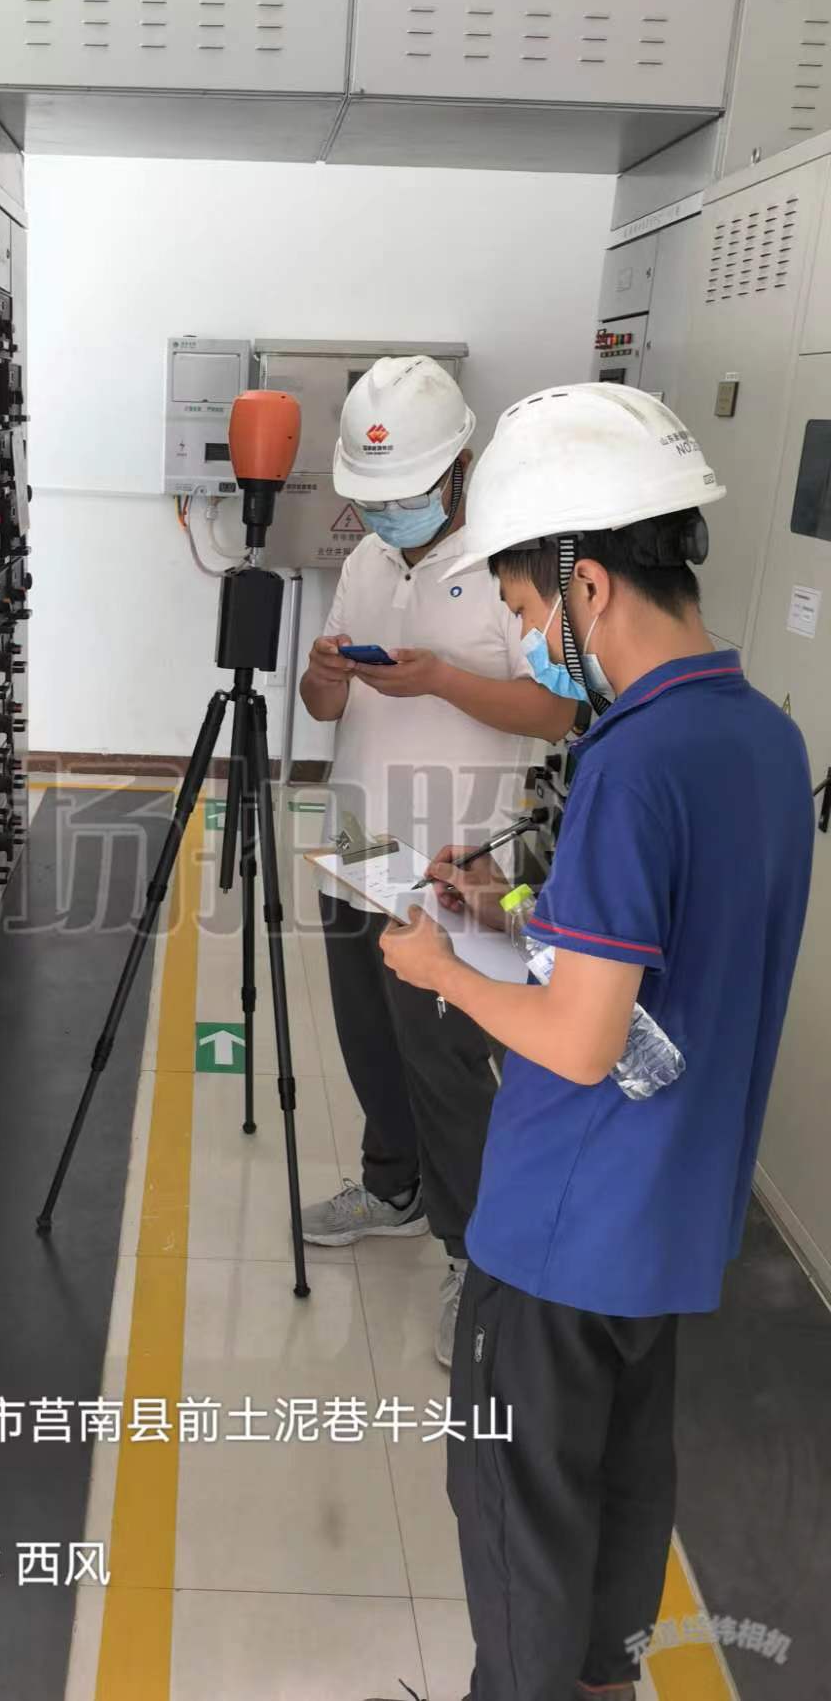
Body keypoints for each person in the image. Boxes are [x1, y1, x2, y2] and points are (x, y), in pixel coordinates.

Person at [380, 383, 814, 1701]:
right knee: (624, 1491)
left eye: (523, 610)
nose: (529, 642)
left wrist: (440, 967)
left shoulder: (631, 758)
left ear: (584, 582)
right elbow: (666, 951)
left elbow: (579, 1041)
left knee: (517, 1510)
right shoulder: (761, 736)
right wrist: (510, 909)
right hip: (666, 1223)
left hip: (560, 1226)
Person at [298, 356, 576, 1366]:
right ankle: (391, 1185)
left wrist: (443, 680)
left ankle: (473, 1251)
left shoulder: (511, 563)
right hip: (358, 840)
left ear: (460, 465)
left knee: (448, 1061)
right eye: (371, 497)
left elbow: (556, 712)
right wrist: (325, 675)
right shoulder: (369, 562)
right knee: (369, 1035)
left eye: (403, 493)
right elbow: (321, 707)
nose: (386, 513)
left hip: (461, 859)